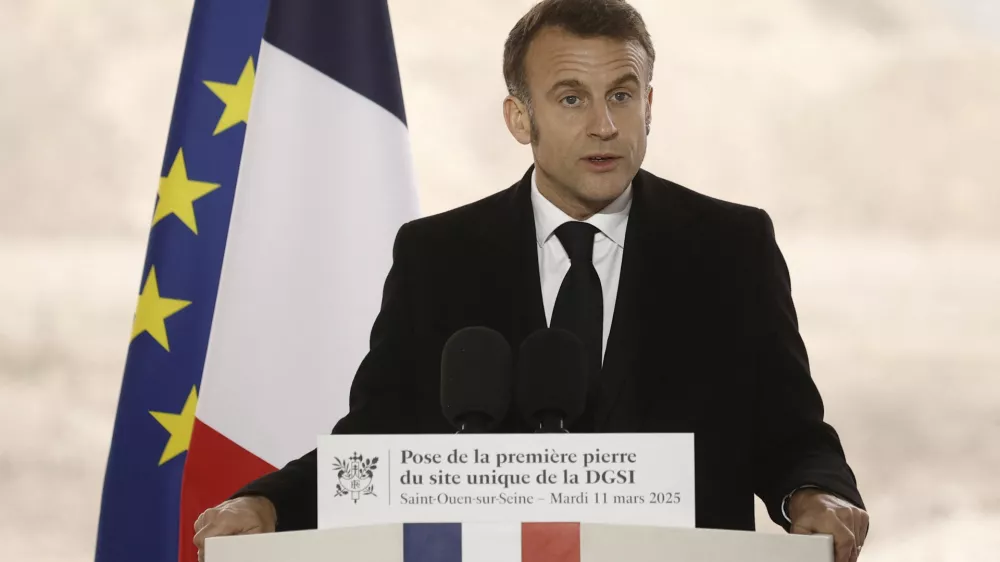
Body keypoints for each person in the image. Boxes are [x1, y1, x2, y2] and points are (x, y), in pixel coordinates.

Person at [193, 0, 869, 561]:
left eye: (623, 96)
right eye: (572, 98)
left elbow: (791, 432)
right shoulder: (439, 255)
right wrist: (269, 503)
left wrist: (813, 492)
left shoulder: (731, 248)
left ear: (650, 106)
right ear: (521, 118)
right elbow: (379, 437)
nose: (605, 125)